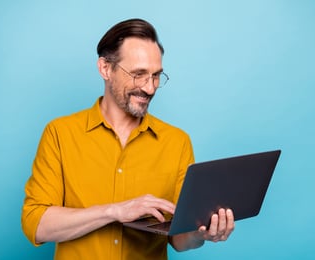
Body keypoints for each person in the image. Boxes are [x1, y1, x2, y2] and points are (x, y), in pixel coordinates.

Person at [21, 18, 234, 259]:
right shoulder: (60, 133)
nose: (150, 88)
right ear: (105, 69)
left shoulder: (177, 142)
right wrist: (114, 211)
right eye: (138, 74)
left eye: (156, 76)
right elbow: (36, 224)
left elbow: (179, 238)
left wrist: (201, 234)